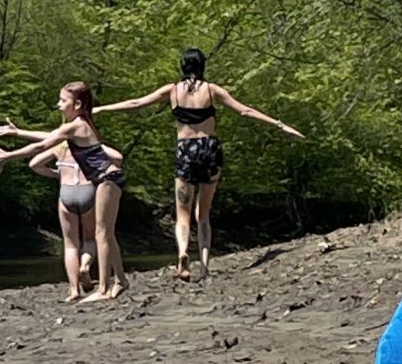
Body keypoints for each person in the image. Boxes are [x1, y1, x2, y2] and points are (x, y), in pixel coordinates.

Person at [95, 49, 303, 280]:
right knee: (203, 215)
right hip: (210, 150)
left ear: (182, 67)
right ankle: (204, 267)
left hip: (186, 150)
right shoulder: (212, 90)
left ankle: (183, 254)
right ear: (202, 66)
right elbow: (244, 110)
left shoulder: (172, 90)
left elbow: (137, 103)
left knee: (182, 214)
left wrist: (103, 108)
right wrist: (280, 125)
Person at [0, 82, 127, 300]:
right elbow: (49, 137)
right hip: (107, 179)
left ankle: (103, 289)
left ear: (78, 104)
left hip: (107, 179)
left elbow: (40, 148)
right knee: (106, 233)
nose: (58, 105)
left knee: (102, 234)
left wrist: (9, 156)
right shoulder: (77, 125)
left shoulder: (76, 125)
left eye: (63, 101)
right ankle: (121, 281)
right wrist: (18, 133)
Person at [27, 137, 97, 301]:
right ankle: (85, 266)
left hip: (66, 191)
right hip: (87, 189)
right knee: (90, 239)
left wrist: (55, 174)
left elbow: (34, 164)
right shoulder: (91, 146)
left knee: (70, 244)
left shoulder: (60, 147)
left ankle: (74, 290)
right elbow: (115, 159)